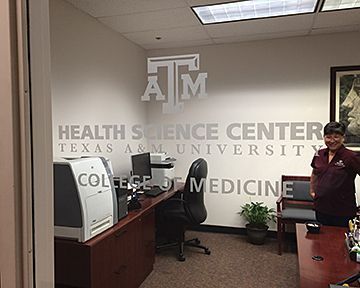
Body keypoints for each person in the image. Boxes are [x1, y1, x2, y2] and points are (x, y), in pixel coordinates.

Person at [310, 121, 360, 227]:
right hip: (321, 208)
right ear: (324, 137)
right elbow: (314, 172)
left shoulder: (351, 156)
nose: (332, 141)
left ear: (343, 138)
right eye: (328, 137)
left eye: (336, 137)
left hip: (343, 211)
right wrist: (312, 191)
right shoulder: (319, 154)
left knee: (341, 242)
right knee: (321, 241)